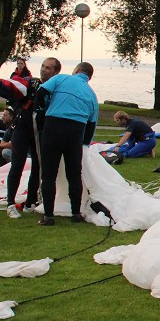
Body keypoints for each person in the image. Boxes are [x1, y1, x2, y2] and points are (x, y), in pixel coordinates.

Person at [0, 57, 60, 218]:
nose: (43, 70)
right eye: (42, 66)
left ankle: (30, 202)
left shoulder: (56, 90)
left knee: (37, 167)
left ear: (56, 72)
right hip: (22, 130)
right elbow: (6, 87)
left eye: (48, 68)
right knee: (17, 165)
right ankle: (10, 204)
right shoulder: (29, 84)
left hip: (40, 132)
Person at [37, 62, 99, 226]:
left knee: (49, 175)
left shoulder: (61, 78)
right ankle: (76, 213)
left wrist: (44, 108)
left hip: (53, 127)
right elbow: (92, 123)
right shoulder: (92, 94)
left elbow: (41, 92)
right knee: (74, 175)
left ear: (76, 70)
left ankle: (48, 216)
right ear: (89, 77)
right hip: (76, 132)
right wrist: (84, 143)